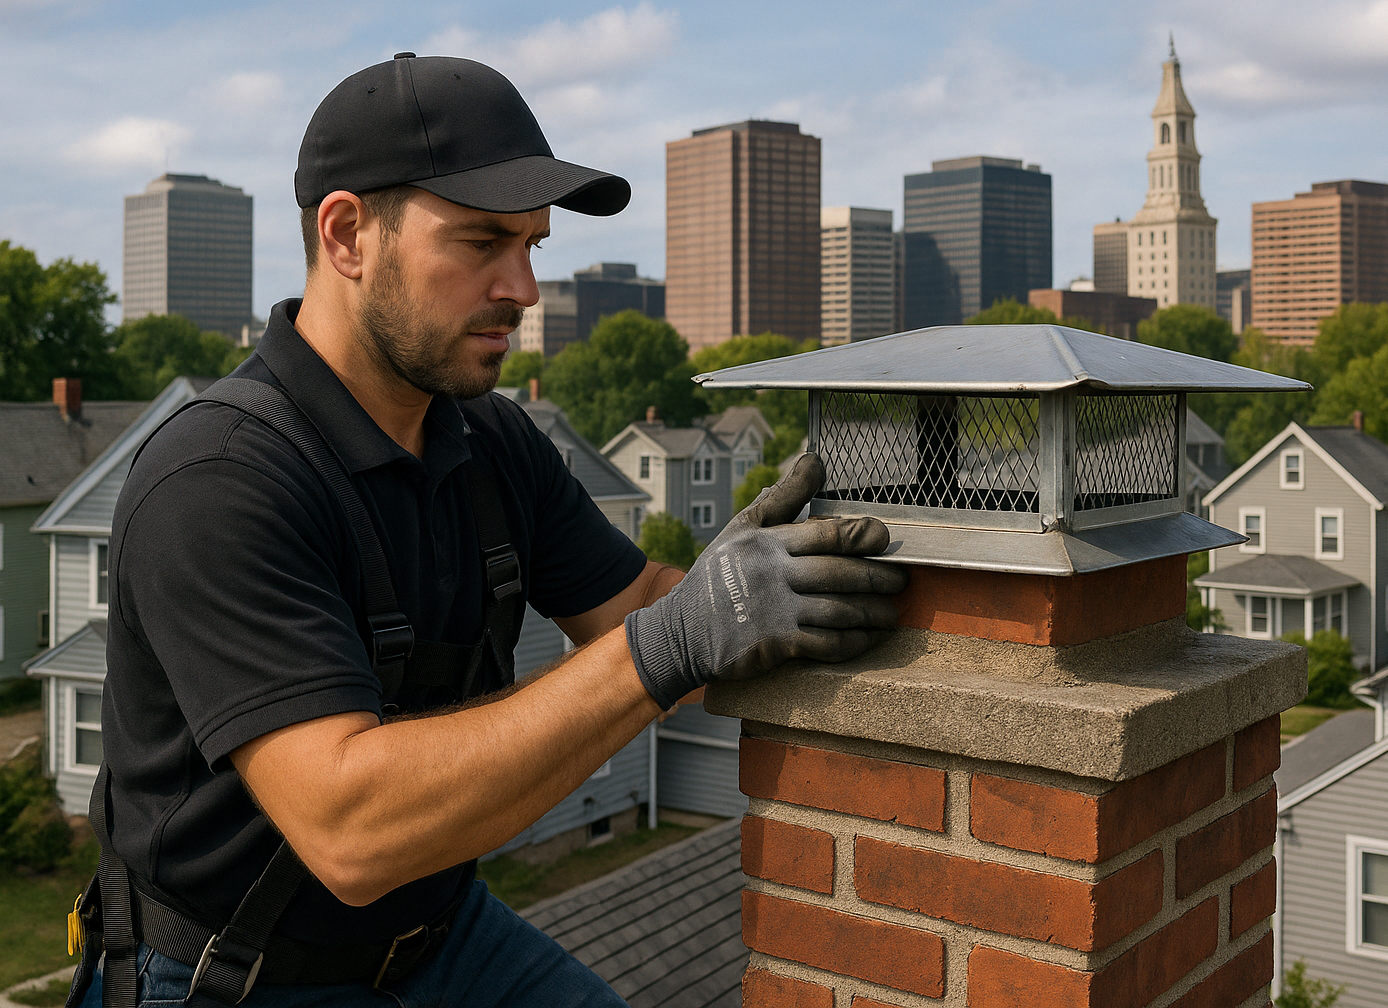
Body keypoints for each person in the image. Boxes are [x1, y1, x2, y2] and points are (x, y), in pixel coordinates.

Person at [67, 54, 905, 1008]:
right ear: (347, 234)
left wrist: (786, 578)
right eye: (481, 243)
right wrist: (677, 637)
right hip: (235, 973)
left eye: (533, 247)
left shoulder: (490, 442)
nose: (525, 289)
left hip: (441, 937)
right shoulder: (218, 479)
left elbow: (637, 610)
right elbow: (352, 829)